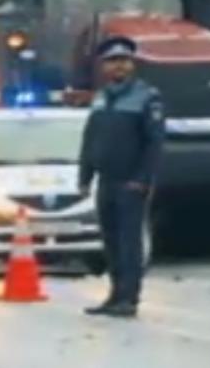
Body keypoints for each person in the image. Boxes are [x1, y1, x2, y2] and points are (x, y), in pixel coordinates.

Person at [77, 36, 164, 319]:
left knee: (129, 242)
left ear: (132, 65)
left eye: (124, 62)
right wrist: (85, 177)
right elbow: (90, 140)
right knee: (111, 241)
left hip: (131, 181)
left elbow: (154, 144)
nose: (119, 67)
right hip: (106, 180)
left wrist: (142, 179)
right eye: (112, 62)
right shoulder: (101, 98)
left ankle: (129, 298)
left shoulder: (146, 97)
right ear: (104, 68)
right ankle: (115, 295)